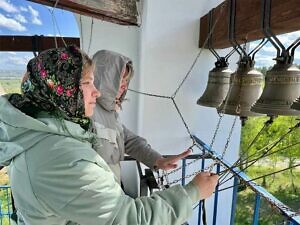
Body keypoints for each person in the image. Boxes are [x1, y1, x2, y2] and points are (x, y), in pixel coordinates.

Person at [0, 45, 218, 225]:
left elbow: (125, 137)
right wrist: (193, 192)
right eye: (87, 83)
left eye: (125, 84)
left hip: (93, 201)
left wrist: (156, 159)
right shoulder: (70, 143)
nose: (120, 89)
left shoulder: (69, 122)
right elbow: (129, 218)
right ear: (64, 90)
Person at [92, 50, 190, 183]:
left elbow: (128, 140)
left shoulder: (110, 111)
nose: (124, 86)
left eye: (126, 80)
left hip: (112, 187)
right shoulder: (87, 112)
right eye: (119, 79)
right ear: (104, 78)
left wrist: (157, 160)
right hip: (97, 194)